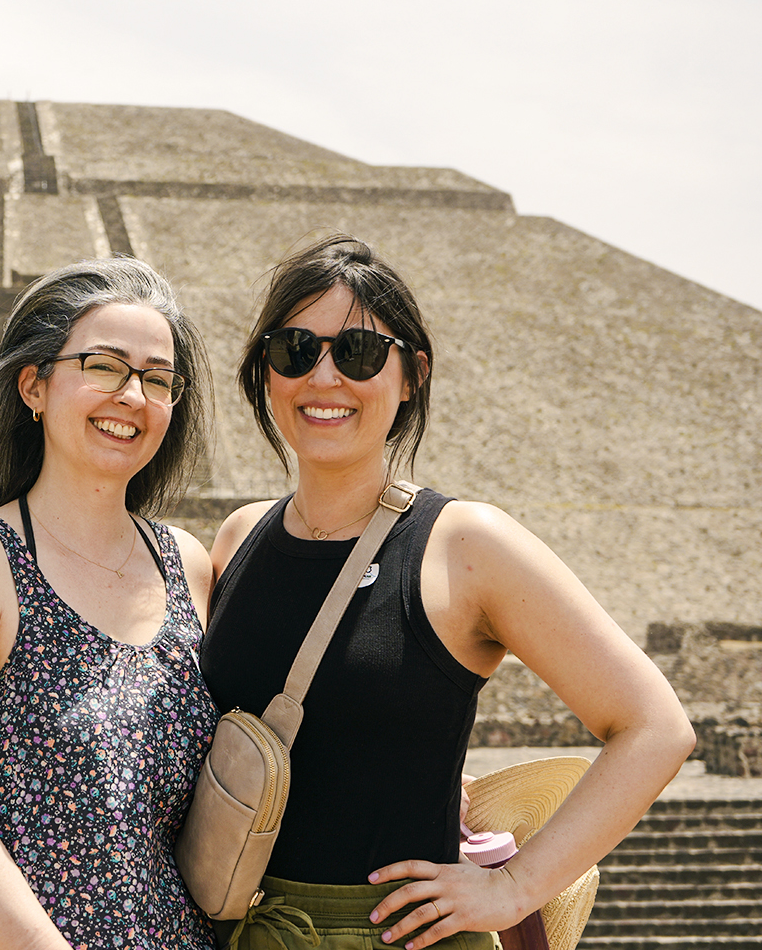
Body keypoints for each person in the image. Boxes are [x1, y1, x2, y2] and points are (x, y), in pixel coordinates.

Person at [200, 233, 697, 949]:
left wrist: (515, 887)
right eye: (295, 350)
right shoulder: (238, 538)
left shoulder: (465, 546)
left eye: (361, 353)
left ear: (412, 375)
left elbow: (655, 728)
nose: (325, 376)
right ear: (267, 372)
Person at [0, 258, 218, 948]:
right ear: (34, 385)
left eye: (157, 378)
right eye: (104, 365)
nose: (132, 395)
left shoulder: (187, 563)